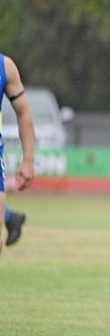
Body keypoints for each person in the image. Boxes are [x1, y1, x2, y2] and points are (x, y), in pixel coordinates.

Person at [0, 52, 34, 254]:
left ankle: (10, 217)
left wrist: (28, 160)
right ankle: (11, 217)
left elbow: (24, 112)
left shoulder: (5, 67)